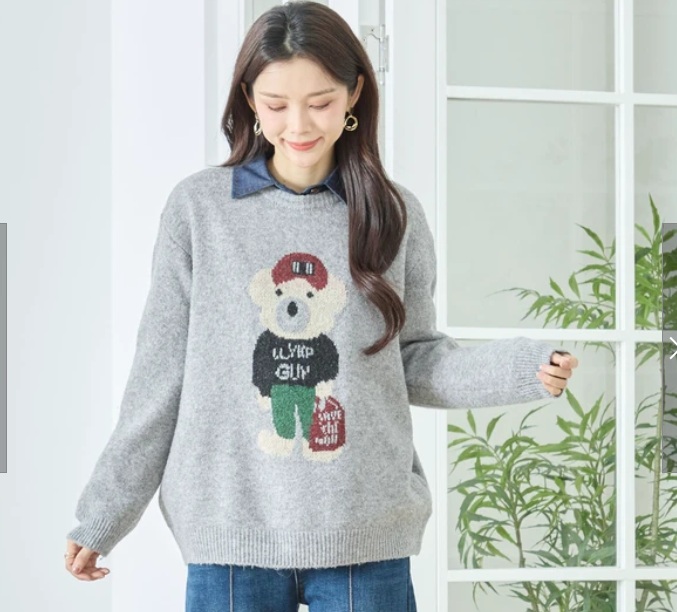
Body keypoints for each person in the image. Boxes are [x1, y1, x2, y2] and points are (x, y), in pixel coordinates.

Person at [63, 1, 579, 610]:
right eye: (277, 104)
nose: (299, 124)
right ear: (250, 100)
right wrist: (104, 515)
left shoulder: (393, 214)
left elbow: (415, 359)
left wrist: (523, 368)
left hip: (363, 526)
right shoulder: (199, 210)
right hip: (231, 531)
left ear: (355, 93)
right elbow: (159, 376)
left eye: (321, 102)